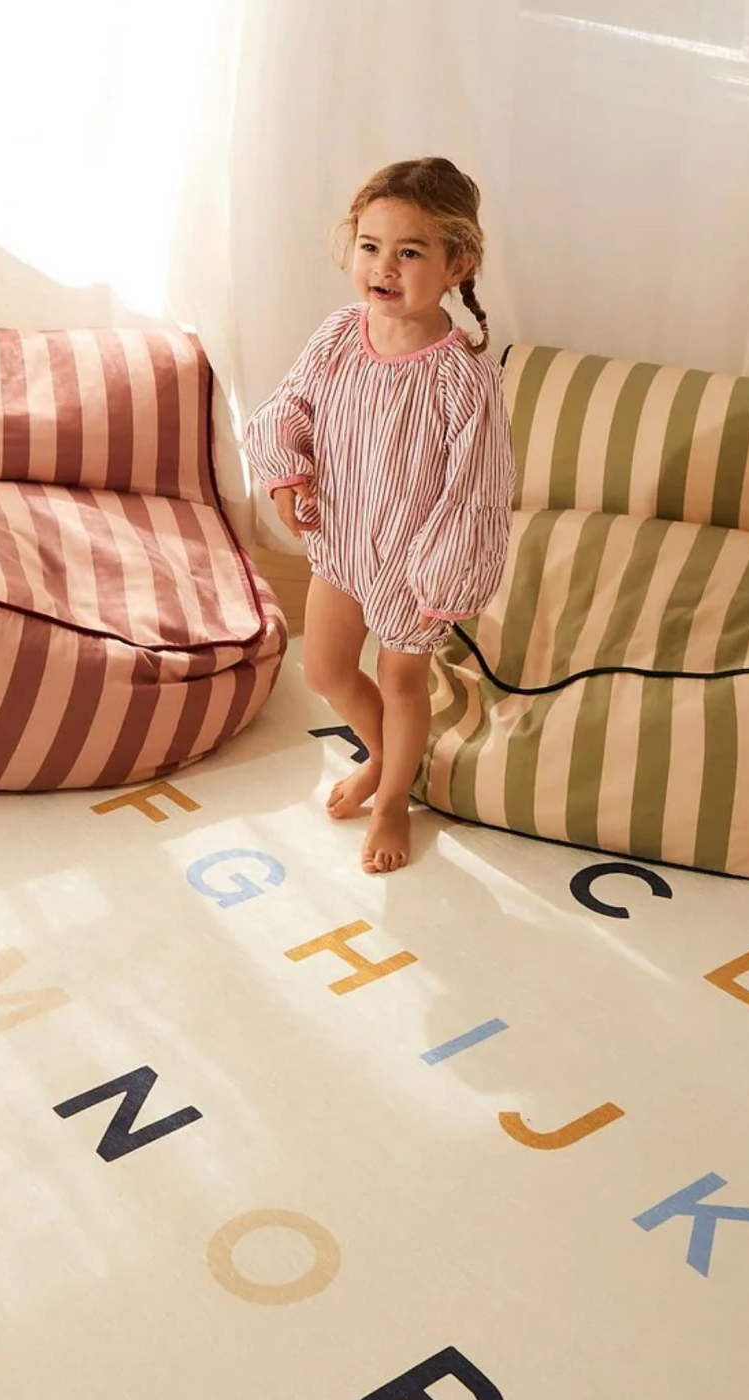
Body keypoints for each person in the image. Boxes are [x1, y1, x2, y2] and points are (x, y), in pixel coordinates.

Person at [244, 157, 515, 875]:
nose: (384, 267)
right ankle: (385, 758)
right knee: (329, 669)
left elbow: (476, 490)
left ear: (456, 262)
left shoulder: (463, 378)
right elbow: (291, 407)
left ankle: (393, 793)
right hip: (339, 543)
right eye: (370, 246)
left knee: (400, 681)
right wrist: (285, 477)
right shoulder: (338, 335)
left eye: (409, 251)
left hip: (413, 560)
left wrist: (443, 580)